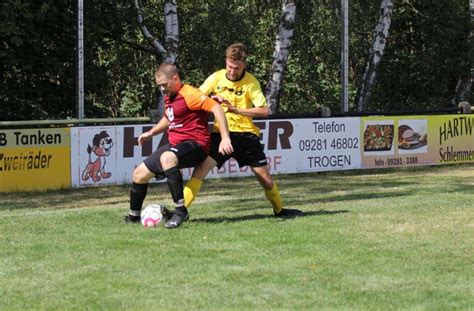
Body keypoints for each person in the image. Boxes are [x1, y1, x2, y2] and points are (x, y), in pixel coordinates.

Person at [183, 43, 304, 221]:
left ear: (244, 65)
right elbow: (196, 98)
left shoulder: (251, 82)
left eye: (237, 68)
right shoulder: (216, 78)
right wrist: (210, 100)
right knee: (200, 170)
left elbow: (264, 111)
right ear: (225, 61)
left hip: (247, 136)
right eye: (229, 66)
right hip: (221, 133)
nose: (232, 71)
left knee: (266, 180)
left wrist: (236, 110)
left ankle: (280, 210)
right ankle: (181, 211)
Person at [124, 63, 233, 229]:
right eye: (159, 85)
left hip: (197, 145)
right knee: (139, 174)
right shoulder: (170, 95)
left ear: (175, 78)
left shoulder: (191, 94)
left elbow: (216, 108)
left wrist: (225, 138)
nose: (162, 89)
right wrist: (151, 133)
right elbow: (169, 118)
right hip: (176, 145)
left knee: (167, 158)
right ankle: (133, 217)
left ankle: (181, 211)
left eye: (164, 84)